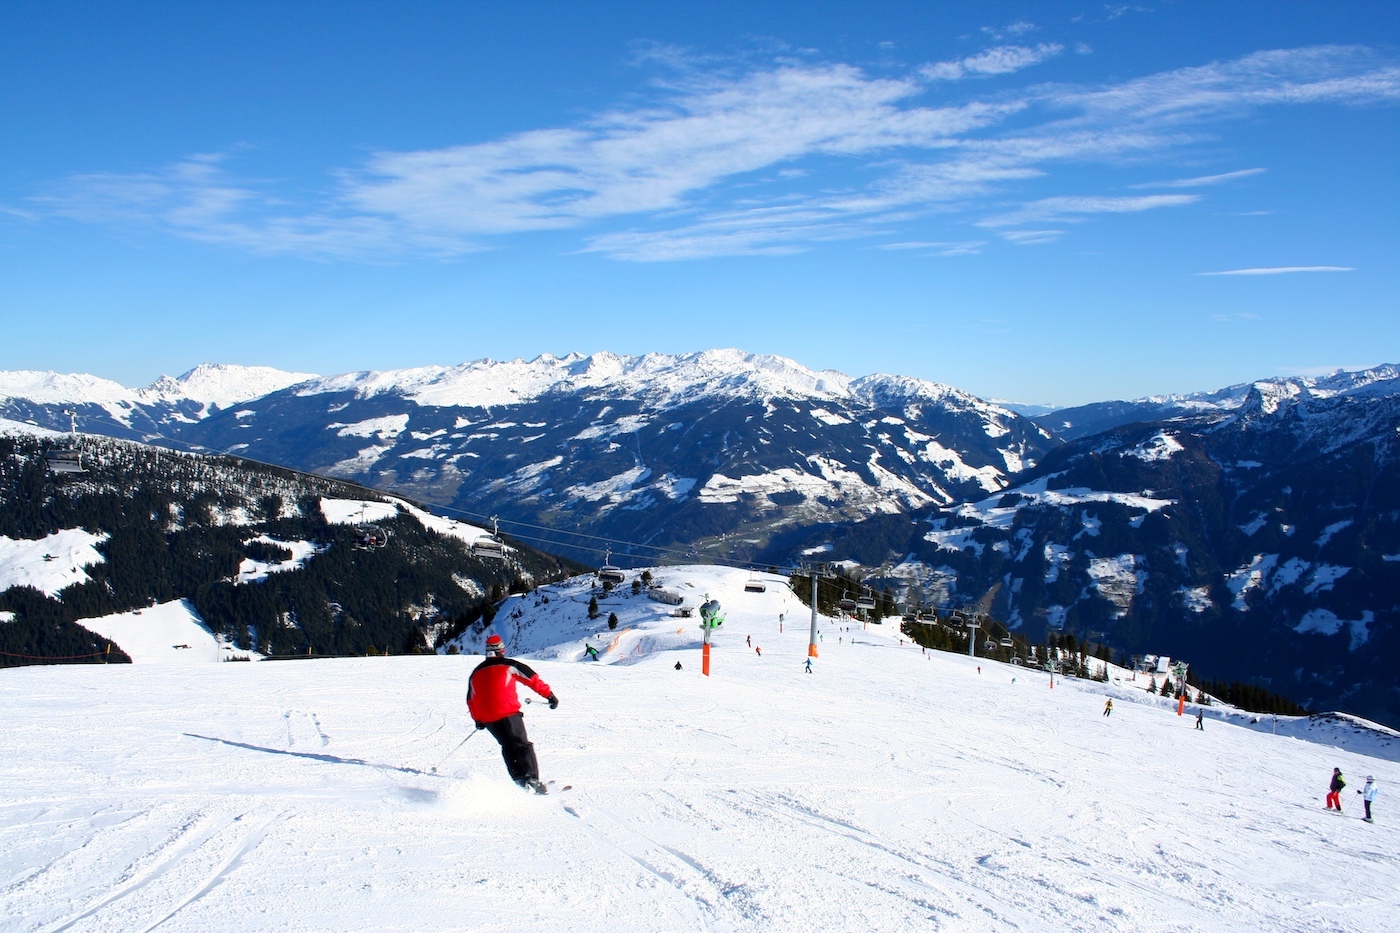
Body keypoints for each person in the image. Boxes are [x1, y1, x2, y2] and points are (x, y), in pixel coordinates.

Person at [467, 634, 558, 795]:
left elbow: (470, 699)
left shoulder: (476, 672)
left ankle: (519, 780)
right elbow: (532, 679)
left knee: (507, 746)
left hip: (488, 719)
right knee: (521, 745)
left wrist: (478, 720)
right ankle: (532, 779)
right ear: (500, 650)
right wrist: (549, 696)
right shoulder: (509, 665)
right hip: (508, 712)